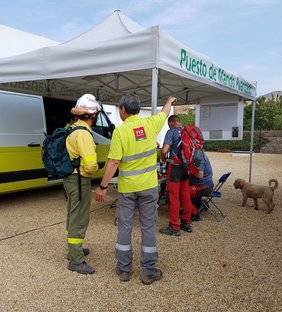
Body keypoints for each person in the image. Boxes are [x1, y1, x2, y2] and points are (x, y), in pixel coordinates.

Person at [95, 95, 176, 285]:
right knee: (148, 227)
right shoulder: (151, 124)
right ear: (138, 109)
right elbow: (164, 114)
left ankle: (124, 270)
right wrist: (169, 102)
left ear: (123, 110)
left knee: (124, 227)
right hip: (149, 187)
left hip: (127, 189)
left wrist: (103, 186)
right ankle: (148, 271)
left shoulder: (120, 131)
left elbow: (114, 161)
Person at [64, 94, 100, 274]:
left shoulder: (71, 128)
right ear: (92, 115)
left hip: (70, 179)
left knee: (73, 214)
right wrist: (88, 174)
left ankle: (74, 250)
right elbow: (91, 164)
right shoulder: (84, 134)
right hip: (79, 180)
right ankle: (76, 260)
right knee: (80, 218)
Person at [159, 115, 194, 236]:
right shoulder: (186, 132)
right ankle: (186, 222)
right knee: (185, 195)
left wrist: (162, 158)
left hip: (175, 167)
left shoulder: (171, 131)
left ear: (171, 122)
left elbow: (164, 150)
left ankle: (174, 227)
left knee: (173, 197)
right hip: (186, 167)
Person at [189, 149, 214, 221]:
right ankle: (200, 205)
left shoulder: (198, 156)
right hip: (207, 184)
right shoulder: (199, 153)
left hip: (204, 187)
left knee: (183, 192)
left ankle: (194, 214)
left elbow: (200, 175)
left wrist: (189, 171)